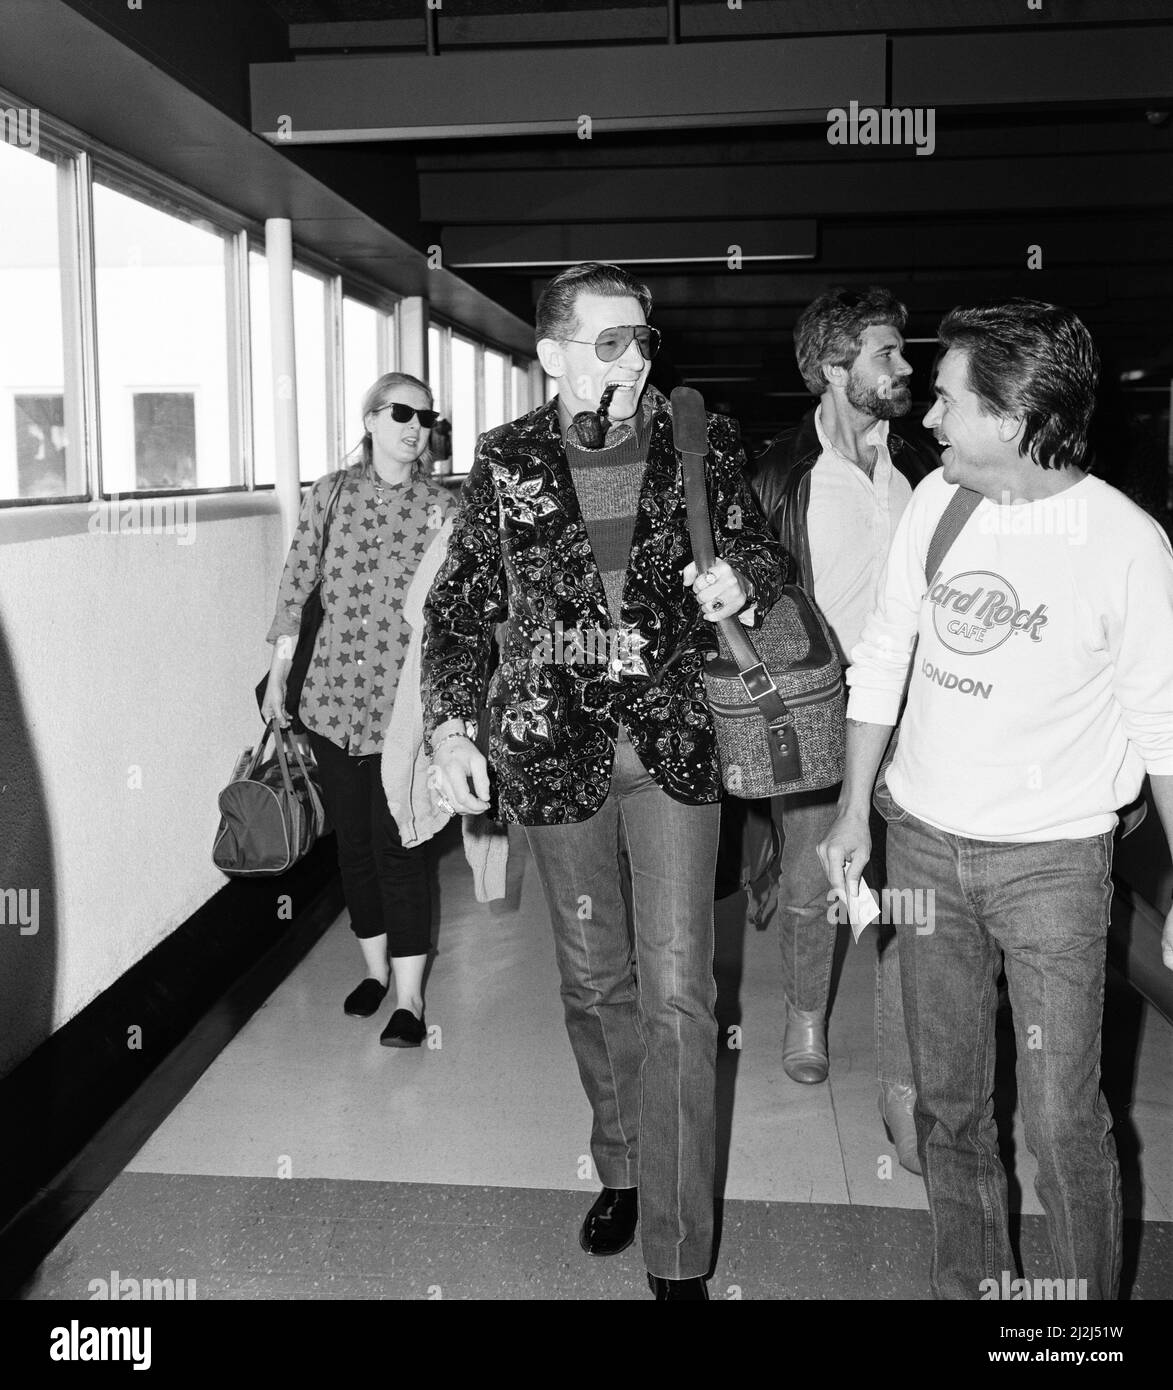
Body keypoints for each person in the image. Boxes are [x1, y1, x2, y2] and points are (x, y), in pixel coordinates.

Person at [421, 262, 786, 1300]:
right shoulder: (505, 461)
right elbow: (456, 611)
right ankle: (622, 1160)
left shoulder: (697, 437)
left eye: (644, 338)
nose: (636, 356)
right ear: (551, 353)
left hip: (674, 746)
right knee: (595, 984)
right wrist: (451, 727)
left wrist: (742, 579)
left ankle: (678, 1255)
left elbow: (764, 553)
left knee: (679, 991)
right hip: (553, 750)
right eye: (611, 339)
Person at [818, 300, 1173, 1299]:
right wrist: (852, 812)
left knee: (1062, 1118)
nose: (928, 417)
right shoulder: (940, 503)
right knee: (950, 1105)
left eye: (947, 398)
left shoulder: (1126, 547)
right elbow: (885, 655)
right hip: (923, 850)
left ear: (1012, 421)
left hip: (1053, 867)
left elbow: (1165, 730)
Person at [748, 287, 936, 1172]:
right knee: (811, 871)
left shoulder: (929, 468)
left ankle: (903, 1081)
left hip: (917, 710)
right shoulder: (778, 473)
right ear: (834, 368)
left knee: (910, 891)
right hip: (820, 710)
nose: (905, 369)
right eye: (887, 354)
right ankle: (805, 1013)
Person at [262, 372, 454, 1047]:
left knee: (400, 845)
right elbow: (297, 582)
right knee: (354, 850)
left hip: (404, 708)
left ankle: (410, 1000)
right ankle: (373, 973)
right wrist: (281, 671)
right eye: (401, 412)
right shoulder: (331, 494)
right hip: (330, 700)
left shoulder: (442, 507)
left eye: (425, 417)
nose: (414, 426)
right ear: (370, 419)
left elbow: (455, 614)